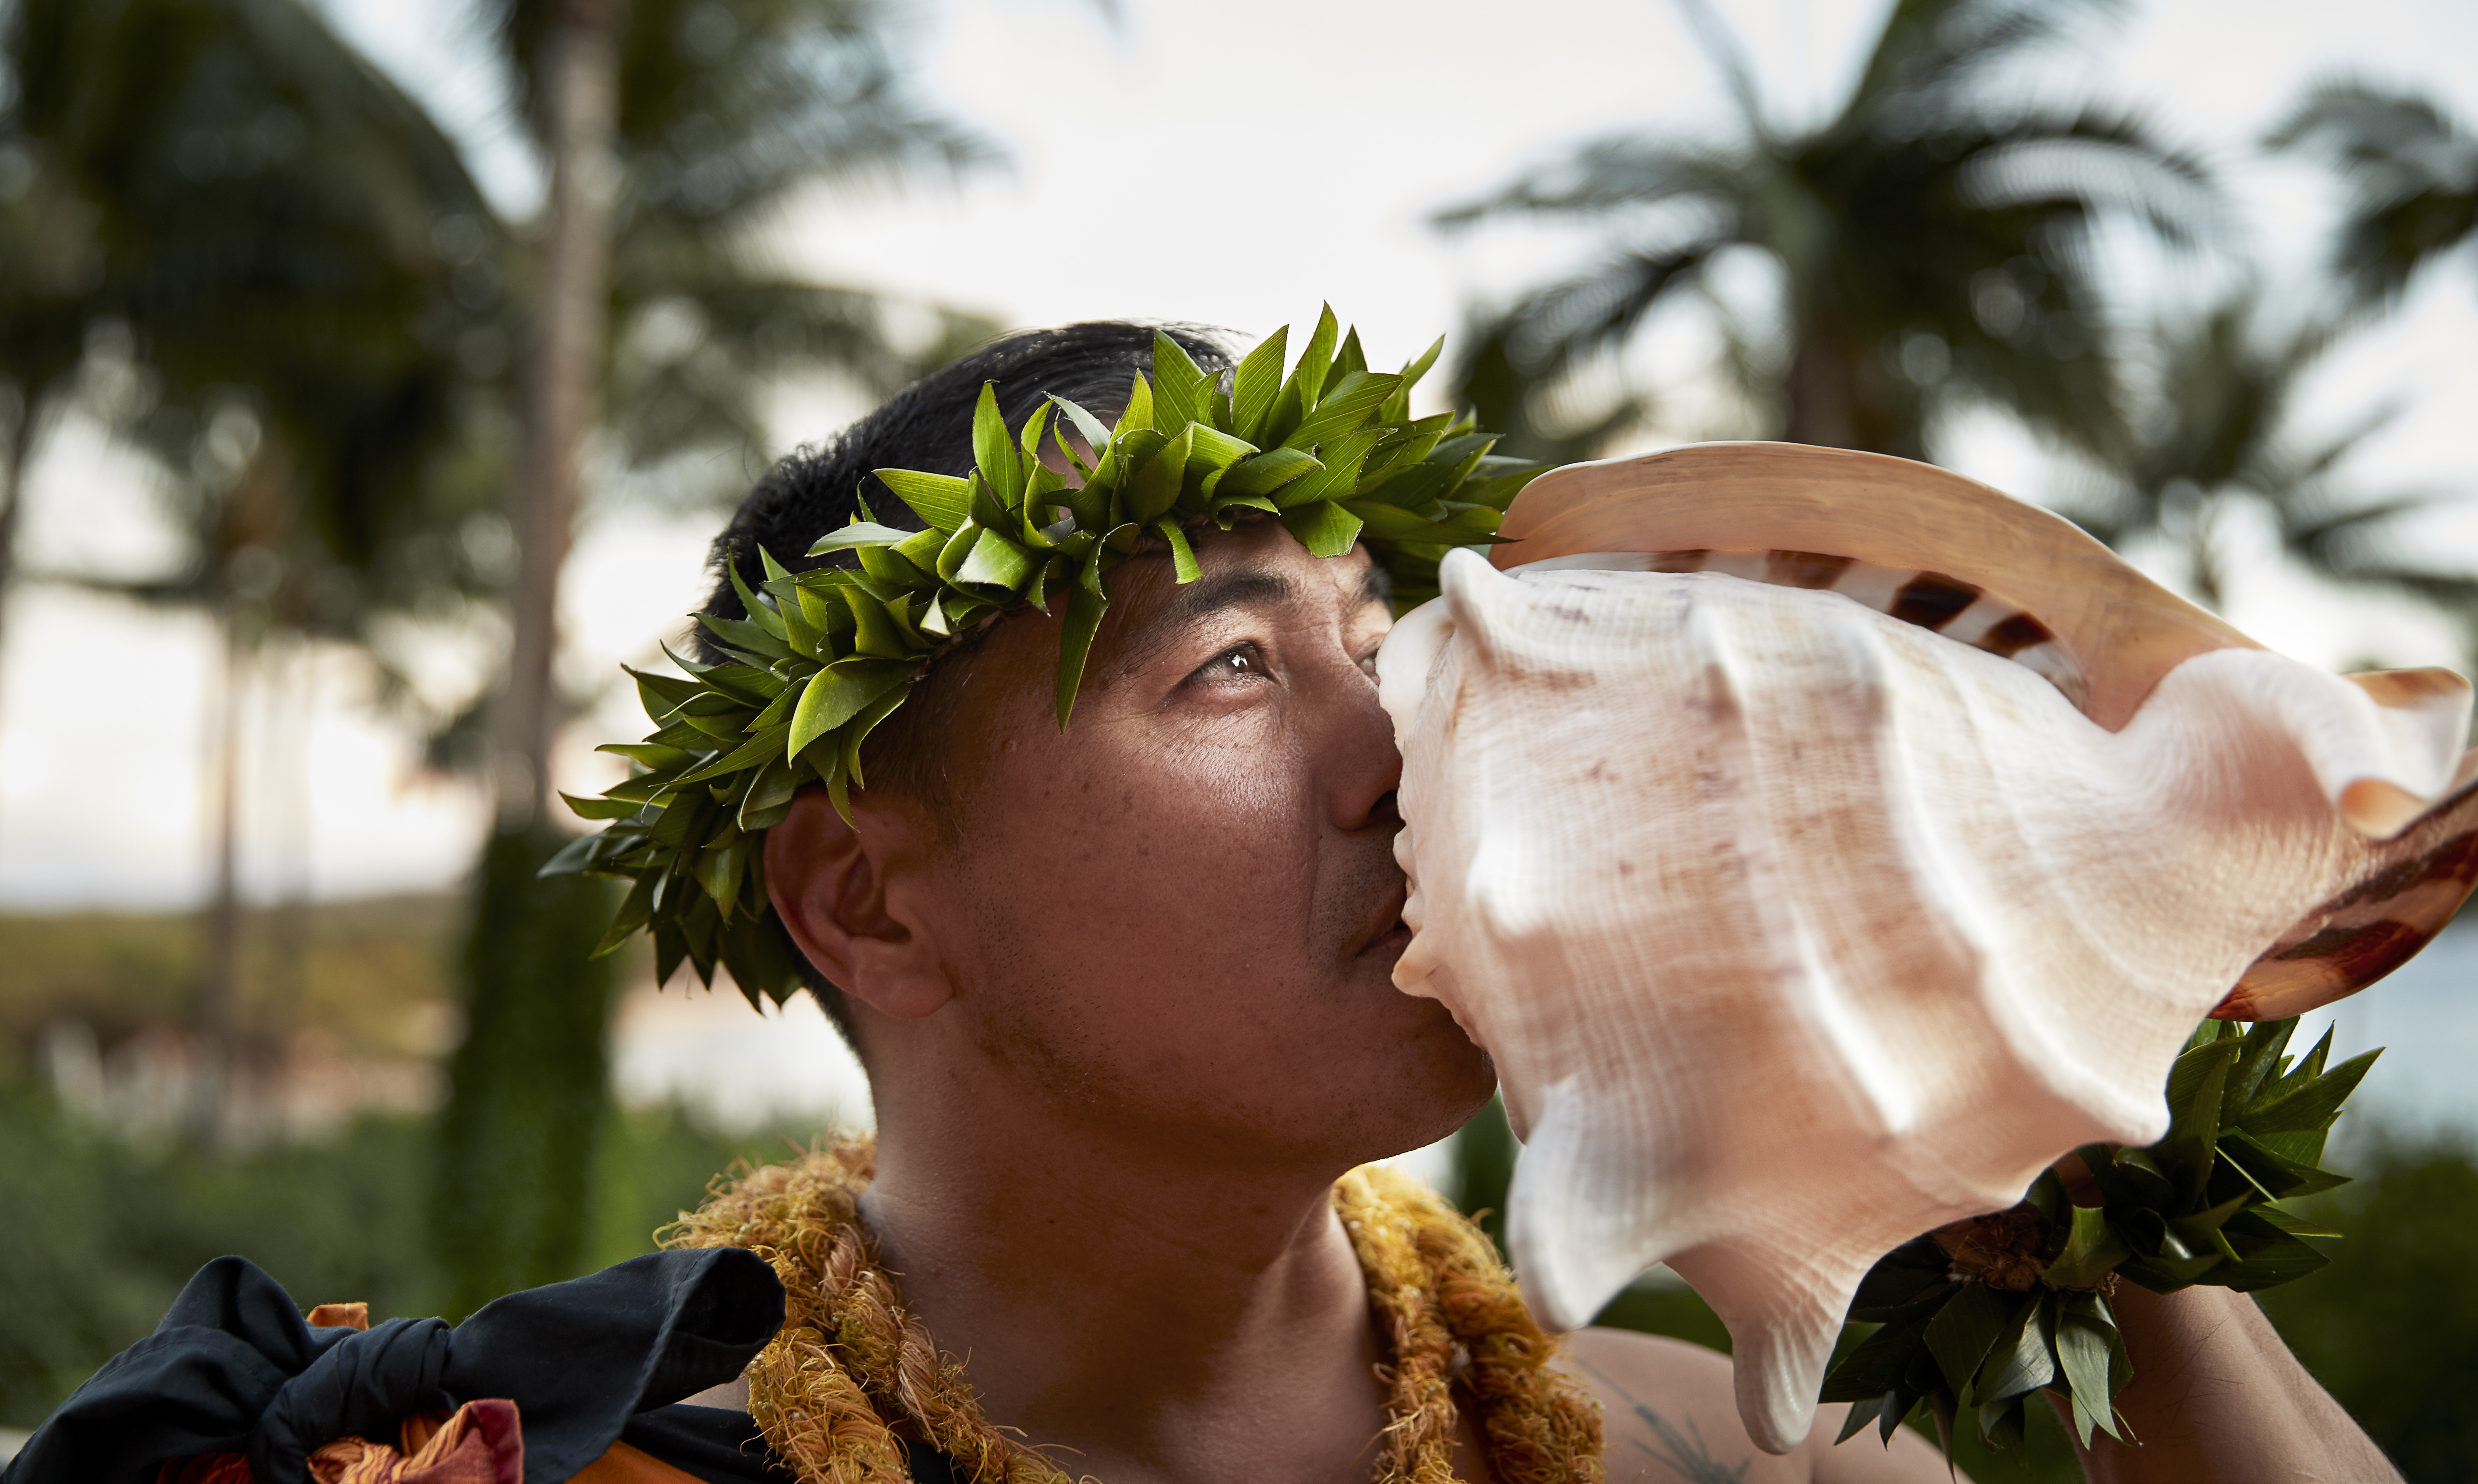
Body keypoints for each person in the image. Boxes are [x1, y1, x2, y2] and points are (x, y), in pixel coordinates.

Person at [8, 322, 2402, 1484]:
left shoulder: (1687, 1443)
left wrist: (2058, 1101)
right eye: (1238, 667)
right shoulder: (584, 1466)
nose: (1404, 750)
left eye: (1387, 644)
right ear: (873, 903)